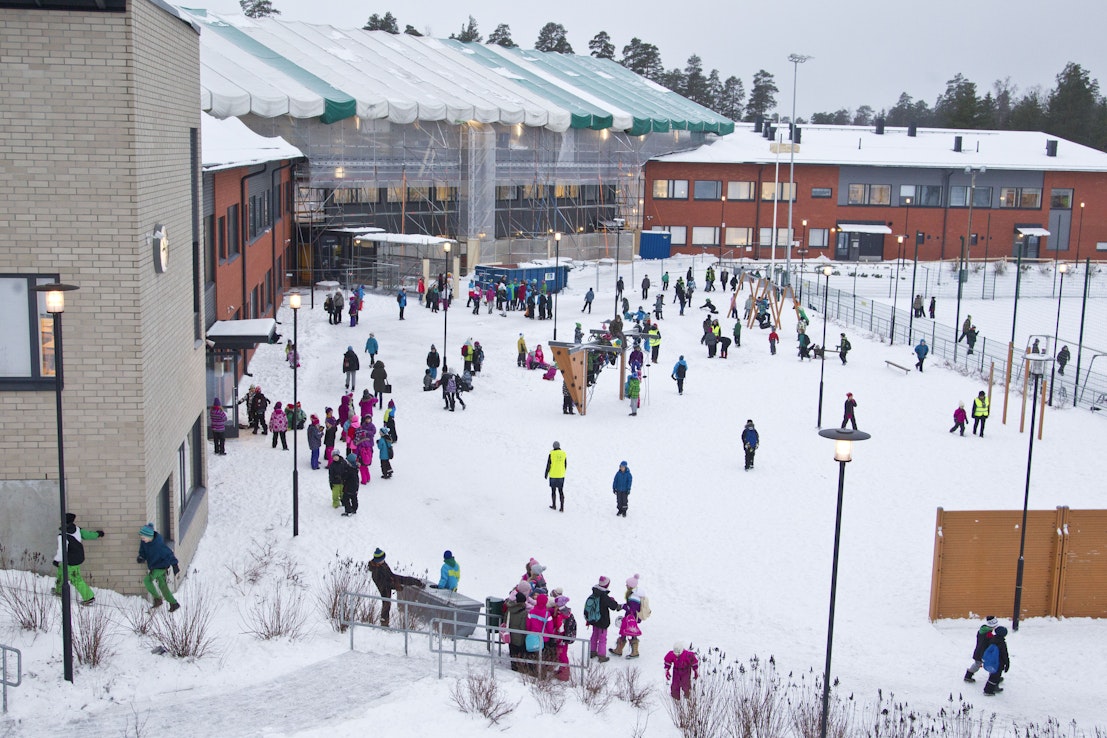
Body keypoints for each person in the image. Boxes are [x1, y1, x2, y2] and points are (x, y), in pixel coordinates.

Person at [53, 513, 104, 606]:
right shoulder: (77, 529)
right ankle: (59, 590)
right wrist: (98, 534)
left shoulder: (62, 536)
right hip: (79, 556)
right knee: (61, 571)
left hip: (71, 560)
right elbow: (88, 535)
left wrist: (56, 560)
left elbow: (62, 551)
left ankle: (89, 597)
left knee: (76, 578)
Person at [369, 548, 425, 627]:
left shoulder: (383, 564)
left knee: (404, 579)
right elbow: (383, 584)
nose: (383, 561)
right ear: (378, 561)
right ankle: (384, 623)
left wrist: (397, 581)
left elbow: (390, 575)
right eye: (382, 560)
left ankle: (417, 582)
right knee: (386, 604)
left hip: (390, 580)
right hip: (384, 588)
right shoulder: (376, 571)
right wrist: (395, 586)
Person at [137, 523, 179, 612]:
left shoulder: (158, 545)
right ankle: (174, 603)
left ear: (149, 536)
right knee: (162, 586)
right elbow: (142, 551)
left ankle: (157, 599)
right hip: (153, 566)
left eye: (143, 538)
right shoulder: (144, 542)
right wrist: (141, 557)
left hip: (161, 567)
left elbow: (169, 554)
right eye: (141, 538)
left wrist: (175, 565)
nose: (142, 539)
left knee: (147, 580)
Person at [610, 574, 648, 659]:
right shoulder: (634, 594)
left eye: (627, 584)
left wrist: (622, 606)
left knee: (631, 632)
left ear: (631, 586)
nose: (626, 585)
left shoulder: (634, 597)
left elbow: (631, 608)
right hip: (631, 617)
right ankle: (621, 650)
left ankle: (633, 651)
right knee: (626, 631)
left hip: (631, 618)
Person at [584, 575, 622, 662]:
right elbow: (613, 606)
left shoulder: (595, 593)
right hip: (602, 621)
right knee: (602, 638)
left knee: (594, 635)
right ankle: (601, 656)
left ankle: (592, 651)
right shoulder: (604, 596)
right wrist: (614, 602)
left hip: (594, 619)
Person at [963, 615, 998, 683]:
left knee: (978, 664)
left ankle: (968, 675)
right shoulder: (988, 634)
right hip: (983, 653)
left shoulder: (982, 630)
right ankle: (993, 677)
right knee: (988, 664)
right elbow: (989, 643)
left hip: (979, 651)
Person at [982, 626, 1010, 695]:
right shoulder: (1002, 643)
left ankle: (994, 686)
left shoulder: (992, 639)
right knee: (994, 677)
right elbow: (1004, 654)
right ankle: (988, 690)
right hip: (999, 663)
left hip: (992, 661)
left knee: (994, 675)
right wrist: (1007, 664)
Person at [545, 441, 567, 511]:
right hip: (561, 475)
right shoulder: (563, 453)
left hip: (553, 475)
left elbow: (548, 465)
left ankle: (554, 505)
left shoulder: (551, 454)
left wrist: (546, 473)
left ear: (553, 446)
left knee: (553, 491)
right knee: (561, 490)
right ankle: (562, 507)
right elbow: (565, 464)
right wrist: (563, 472)